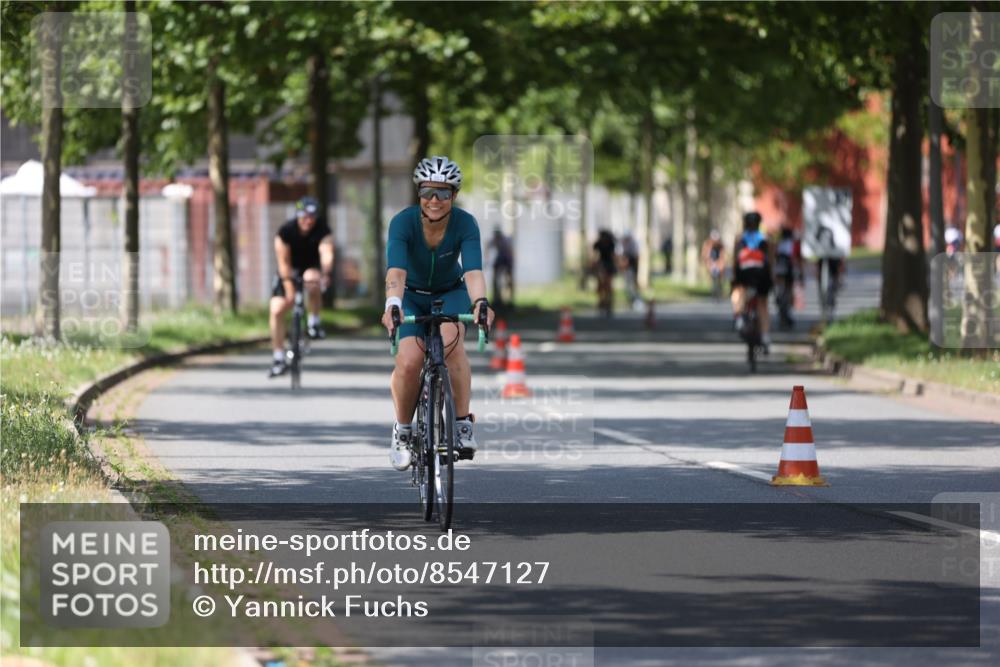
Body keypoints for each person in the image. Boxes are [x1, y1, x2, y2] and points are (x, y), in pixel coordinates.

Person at [380, 156, 494, 471]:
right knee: (408, 361)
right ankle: (403, 430)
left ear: (453, 196)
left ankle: (461, 422)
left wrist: (480, 302)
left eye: (443, 193)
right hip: (412, 295)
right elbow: (396, 271)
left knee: (451, 345)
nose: (435, 200)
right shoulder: (402, 222)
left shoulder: (465, 223)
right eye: (428, 192)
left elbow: (472, 271)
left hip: (450, 292)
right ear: (419, 193)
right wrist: (393, 304)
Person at [268, 196, 334, 378]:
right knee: (276, 309)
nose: (308, 221)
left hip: (310, 268)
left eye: (312, 217)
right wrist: (290, 291)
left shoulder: (322, 229)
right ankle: (278, 357)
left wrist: (326, 272)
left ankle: (314, 322)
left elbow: (327, 252)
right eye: (304, 217)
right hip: (288, 270)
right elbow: (283, 263)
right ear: (298, 216)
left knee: (312, 278)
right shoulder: (285, 232)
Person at [731, 211, 773, 351]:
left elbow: (735, 260)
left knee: (739, 291)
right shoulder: (766, 238)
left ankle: (739, 318)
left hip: (744, 272)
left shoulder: (739, 238)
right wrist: (771, 278)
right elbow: (771, 260)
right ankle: (766, 335)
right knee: (762, 304)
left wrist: (734, 278)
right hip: (762, 273)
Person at [773, 225, 803, 328]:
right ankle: (788, 309)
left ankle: (780, 300)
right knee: (789, 290)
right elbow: (798, 260)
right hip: (789, 270)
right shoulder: (794, 245)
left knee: (780, 289)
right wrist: (801, 274)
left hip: (779, 270)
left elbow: (774, 258)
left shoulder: (778, 244)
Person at [592, 229, 617, 317]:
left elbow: (613, 256)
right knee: (601, 284)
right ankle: (602, 301)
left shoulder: (611, 244)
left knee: (608, 284)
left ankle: (608, 302)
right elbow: (594, 255)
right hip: (601, 265)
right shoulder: (597, 244)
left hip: (609, 265)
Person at [487, 227, 514, 308]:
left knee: (508, 280)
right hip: (501, 259)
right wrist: (487, 259)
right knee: (496, 279)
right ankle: (497, 298)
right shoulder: (495, 239)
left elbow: (509, 252)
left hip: (507, 260)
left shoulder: (505, 240)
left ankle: (508, 299)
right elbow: (487, 245)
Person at [701, 230, 727, 300]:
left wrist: (721, 264)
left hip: (718, 262)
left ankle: (720, 290)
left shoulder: (721, 246)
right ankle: (713, 291)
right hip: (711, 262)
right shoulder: (707, 244)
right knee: (712, 277)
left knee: (720, 276)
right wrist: (709, 264)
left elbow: (723, 257)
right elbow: (705, 256)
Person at [620, 231, 641, 308]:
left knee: (632, 285)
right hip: (627, 269)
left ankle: (636, 299)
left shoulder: (633, 246)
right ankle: (631, 300)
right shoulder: (623, 246)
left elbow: (635, 258)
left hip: (632, 269)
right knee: (627, 286)